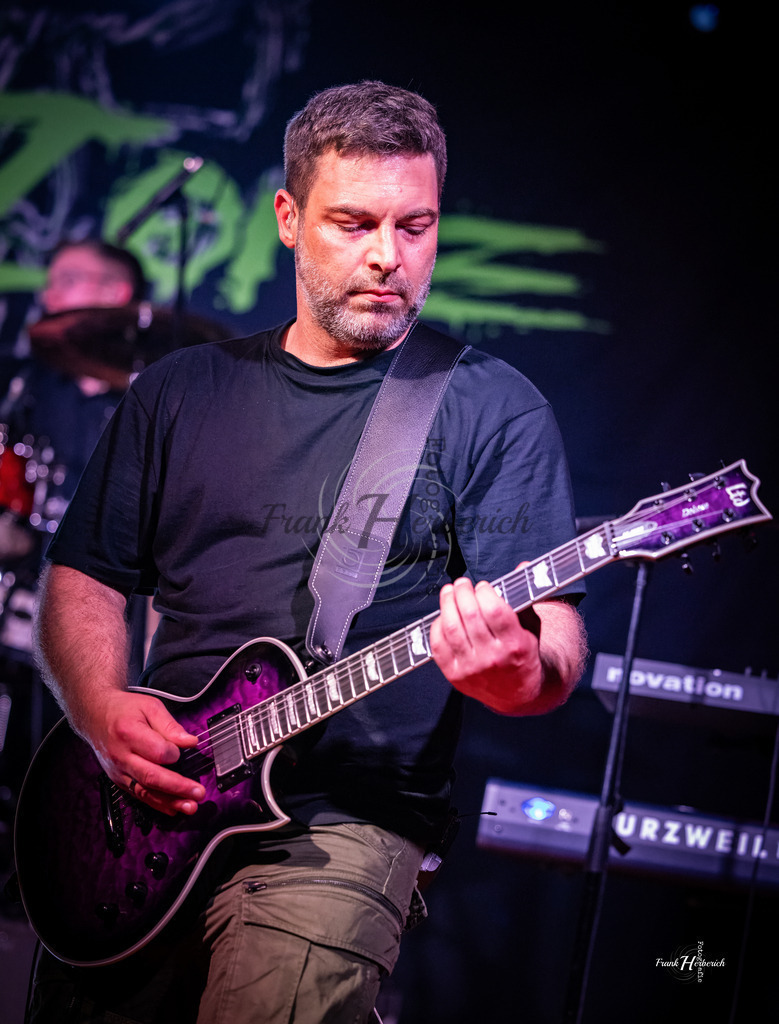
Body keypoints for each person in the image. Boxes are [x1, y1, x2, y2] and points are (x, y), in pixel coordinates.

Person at [28, 81, 588, 1023]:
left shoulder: (490, 406)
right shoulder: (179, 391)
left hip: (344, 828)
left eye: (416, 226)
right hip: (147, 806)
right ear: (287, 218)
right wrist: (97, 708)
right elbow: (83, 576)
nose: (387, 256)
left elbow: (558, 641)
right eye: (354, 222)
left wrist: (516, 672)